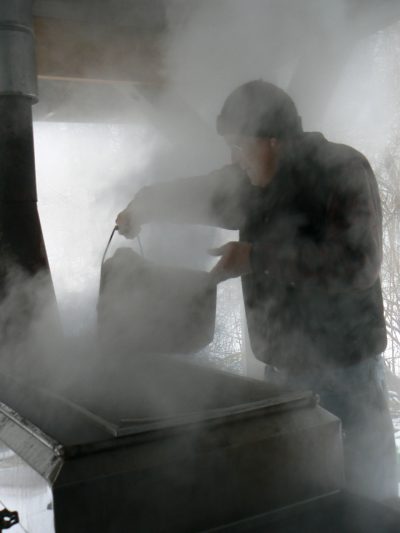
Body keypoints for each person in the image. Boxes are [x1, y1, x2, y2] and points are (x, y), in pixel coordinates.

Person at [116, 80, 398, 501]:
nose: (235, 160)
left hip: (348, 377)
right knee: (303, 501)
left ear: (274, 141)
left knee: (369, 502)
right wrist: (145, 205)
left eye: (239, 147)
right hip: (283, 376)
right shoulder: (256, 181)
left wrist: (256, 257)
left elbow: (357, 263)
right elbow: (206, 192)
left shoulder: (342, 169)